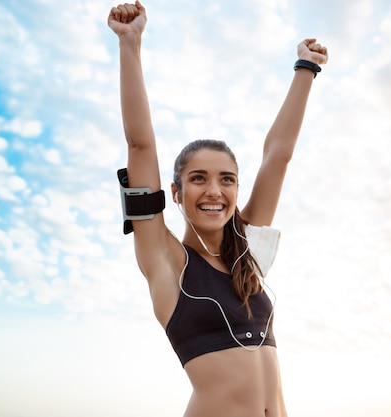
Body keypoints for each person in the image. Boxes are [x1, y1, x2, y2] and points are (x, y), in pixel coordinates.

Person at [108, 2, 328, 416]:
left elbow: (277, 157)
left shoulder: (250, 253)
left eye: (227, 178)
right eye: (198, 178)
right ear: (175, 191)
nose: (214, 190)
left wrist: (306, 67)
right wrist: (130, 44)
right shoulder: (166, 261)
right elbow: (141, 145)